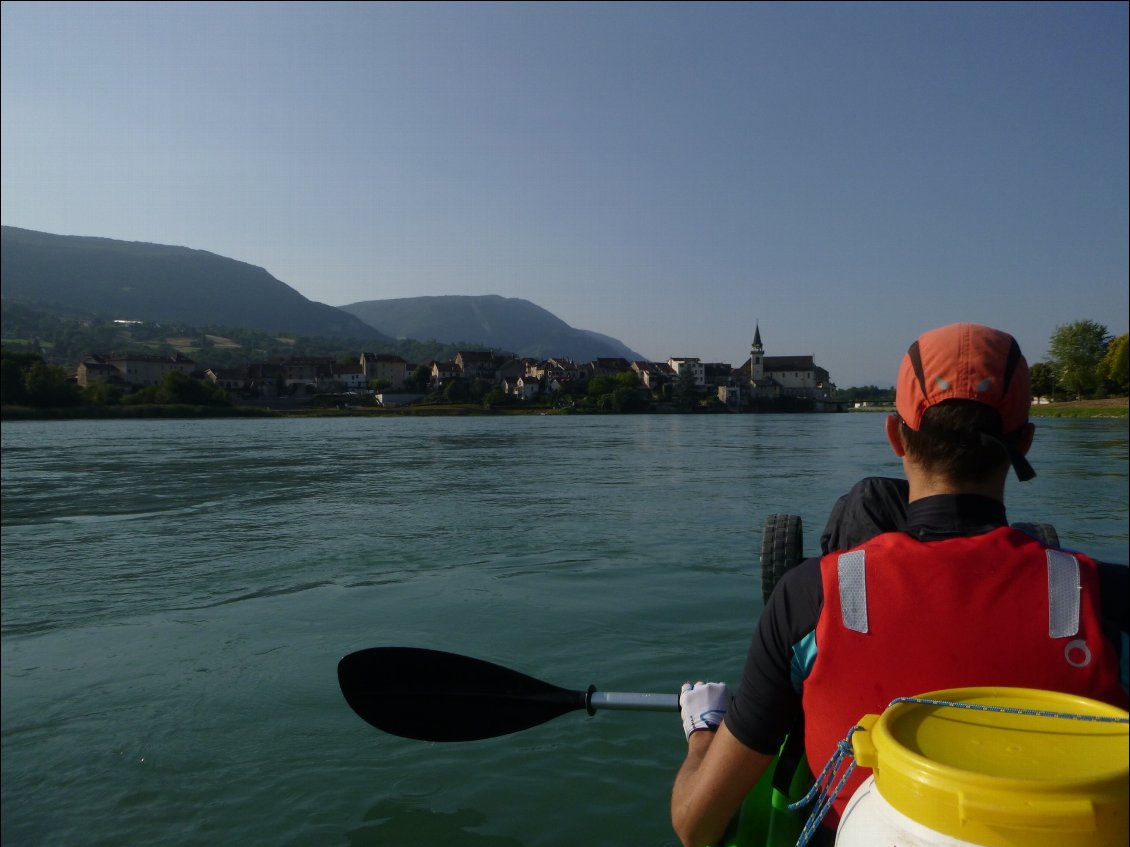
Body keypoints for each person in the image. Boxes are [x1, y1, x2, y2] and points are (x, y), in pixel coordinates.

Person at [671, 322, 1129, 847]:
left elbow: (695, 825)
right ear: (1024, 441)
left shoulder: (809, 596)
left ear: (895, 436)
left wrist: (703, 734)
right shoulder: (1107, 598)